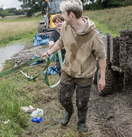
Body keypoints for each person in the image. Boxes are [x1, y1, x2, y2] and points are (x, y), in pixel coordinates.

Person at [40, 0, 106, 134]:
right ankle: (69, 112)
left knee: (82, 103)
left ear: (71, 15)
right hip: (68, 70)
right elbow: (60, 42)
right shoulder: (65, 26)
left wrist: (102, 78)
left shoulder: (93, 35)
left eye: (63, 13)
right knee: (63, 99)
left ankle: (81, 123)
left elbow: (102, 56)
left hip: (85, 75)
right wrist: (48, 52)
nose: (61, 16)